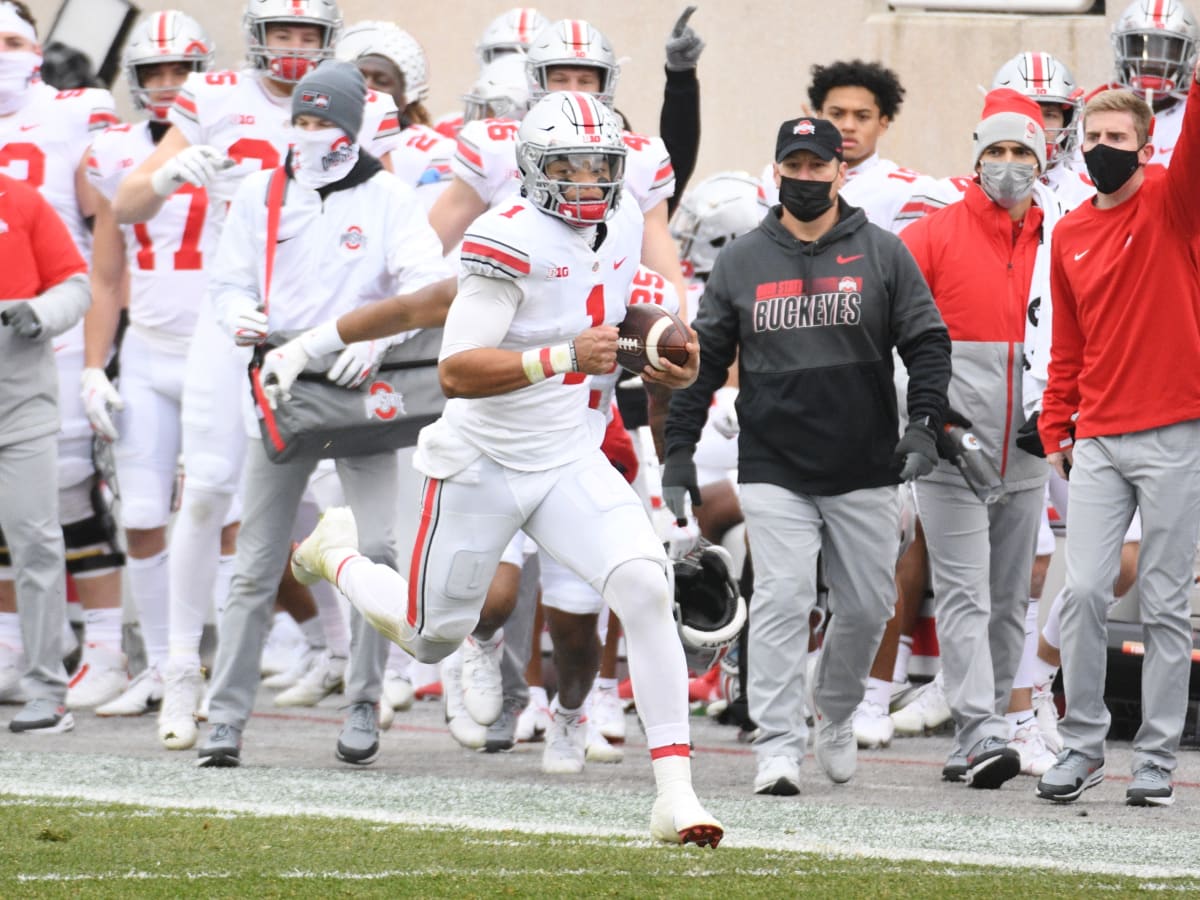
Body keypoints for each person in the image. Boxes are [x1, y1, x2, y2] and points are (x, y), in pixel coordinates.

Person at [284, 91, 721, 848]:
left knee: (645, 586)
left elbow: (618, 322)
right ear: (532, 170)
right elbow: (455, 371)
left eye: (600, 165)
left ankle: (675, 795)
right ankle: (338, 552)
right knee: (427, 636)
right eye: (569, 166)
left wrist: (659, 355)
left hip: (567, 455)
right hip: (480, 461)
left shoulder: (620, 222)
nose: (588, 180)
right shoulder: (504, 235)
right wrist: (558, 357)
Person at [110, 0, 406, 748]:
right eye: (284, 34)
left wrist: (382, 325)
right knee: (207, 493)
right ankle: (183, 673)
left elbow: (395, 213)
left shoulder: (363, 106)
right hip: (238, 323)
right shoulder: (213, 98)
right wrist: (173, 173)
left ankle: (360, 674)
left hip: (339, 331)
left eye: (310, 35)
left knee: (358, 518)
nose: (296, 48)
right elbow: (126, 203)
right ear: (258, 39)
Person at [664, 116, 951, 796]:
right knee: (785, 598)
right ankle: (777, 743)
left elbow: (927, 343)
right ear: (777, 172)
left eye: (816, 166)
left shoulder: (882, 252)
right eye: (792, 166)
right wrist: (678, 451)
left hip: (864, 461)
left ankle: (838, 709)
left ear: (839, 171)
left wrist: (925, 426)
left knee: (866, 605)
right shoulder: (740, 262)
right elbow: (699, 364)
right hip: (775, 463)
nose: (804, 177)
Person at [194, 61, 453, 769]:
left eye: (325, 123)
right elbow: (228, 280)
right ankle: (226, 718)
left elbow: (427, 284)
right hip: (284, 383)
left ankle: (366, 700)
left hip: (356, 384)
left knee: (379, 552)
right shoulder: (261, 193)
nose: (310, 135)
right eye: (301, 122)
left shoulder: (389, 196)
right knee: (256, 560)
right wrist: (234, 313)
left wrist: (379, 338)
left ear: (352, 127)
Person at [1035, 62, 1200, 808]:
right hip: (1097, 436)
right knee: (1083, 593)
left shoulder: (1174, 202)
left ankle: (1157, 760)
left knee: (1166, 603)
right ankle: (1082, 746)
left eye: (1117, 136)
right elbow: (1069, 343)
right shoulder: (1068, 232)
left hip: (1177, 429)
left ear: (1146, 146)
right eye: (1092, 134)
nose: (1102, 145)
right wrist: (1055, 417)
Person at [900, 89, 1061, 789]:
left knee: (1008, 598)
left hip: (1028, 445)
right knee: (963, 591)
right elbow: (894, 336)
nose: (1006, 164)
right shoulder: (931, 235)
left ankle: (989, 725)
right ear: (974, 157)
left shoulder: (1064, 233)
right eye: (994, 151)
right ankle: (979, 728)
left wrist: (1055, 410)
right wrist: (927, 417)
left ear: (1043, 158)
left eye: (1020, 151)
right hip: (950, 446)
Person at [82, 10, 219, 741]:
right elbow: (108, 277)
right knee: (140, 514)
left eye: (181, 71)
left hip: (215, 348)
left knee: (210, 511)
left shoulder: (231, 133)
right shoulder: (111, 154)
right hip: (150, 349)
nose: (168, 85)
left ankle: (219, 666)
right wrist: (92, 367)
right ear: (135, 82)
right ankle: (168, 669)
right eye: (155, 72)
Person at [0, 0, 126, 717]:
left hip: (50, 330)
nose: (3, 52)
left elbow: (104, 241)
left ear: (40, 48)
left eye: (15, 40)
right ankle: (13, 643)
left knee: (72, 492)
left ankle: (104, 645)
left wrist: (97, 355)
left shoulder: (75, 111)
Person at [0, 171, 91, 733]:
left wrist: (40, 312)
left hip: (19, 405)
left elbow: (76, 284)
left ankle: (47, 689)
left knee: (35, 542)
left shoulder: (19, 199)